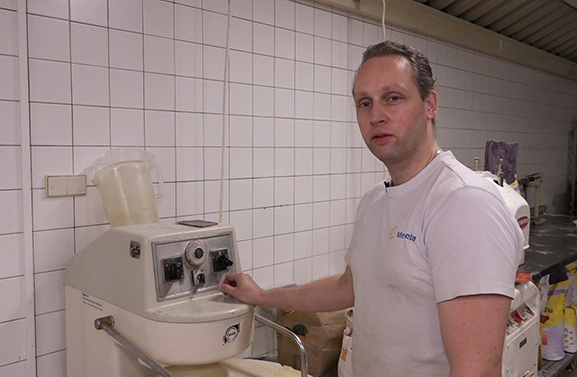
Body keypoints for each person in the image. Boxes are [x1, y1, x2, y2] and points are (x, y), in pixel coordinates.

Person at [219, 40, 524, 377]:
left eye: (392, 98)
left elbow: (477, 369)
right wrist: (262, 296)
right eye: (365, 103)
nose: (376, 116)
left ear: (430, 104)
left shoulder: (463, 203)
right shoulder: (375, 202)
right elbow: (349, 286)